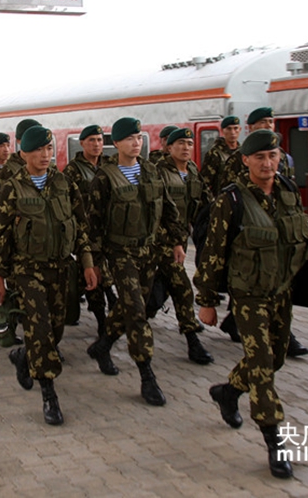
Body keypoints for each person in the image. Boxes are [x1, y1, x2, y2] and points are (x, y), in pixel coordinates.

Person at [194, 129, 308, 479]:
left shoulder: (289, 193)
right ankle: (274, 440)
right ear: (245, 160)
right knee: (261, 364)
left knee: (274, 358)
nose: (267, 163)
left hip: (282, 293)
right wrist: (207, 301)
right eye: (259, 157)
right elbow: (213, 254)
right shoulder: (231, 201)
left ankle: (228, 391)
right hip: (248, 297)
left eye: (272, 156)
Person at [0, 125, 97, 425]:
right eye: (38, 150)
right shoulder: (11, 188)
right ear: (23, 153)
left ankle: (24, 357)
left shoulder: (64, 183)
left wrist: (87, 262)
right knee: (39, 329)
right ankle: (49, 395)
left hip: (61, 267)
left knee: (55, 331)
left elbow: (81, 225)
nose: (44, 155)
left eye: (49, 150)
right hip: (26, 270)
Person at [85, 117, 186, 406]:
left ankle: (103, 346)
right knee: (137, 313)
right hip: (120, 254)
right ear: (115, 143)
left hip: (149, 253)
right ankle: (147, 375)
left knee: (131, 306)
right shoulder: (104, 178)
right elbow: (92, 224)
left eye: (139, 138)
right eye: (129, 139)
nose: (136, 143)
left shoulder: (152, 171)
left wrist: (177, 242)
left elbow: (168, 210)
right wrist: (94, 262)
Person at [216, 107, 308, 357]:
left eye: (271, 121)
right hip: (247, 229)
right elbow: (223, 191)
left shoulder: (283, 158)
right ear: (251, 127)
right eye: (262, 123)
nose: (268, 125)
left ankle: (242, 323)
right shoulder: (237, 159)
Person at [151, 128, 213, 364]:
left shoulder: (194, 171)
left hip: (179, 240)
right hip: (161, 240)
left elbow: (204, 202)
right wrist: (176, 240)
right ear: (169, 147)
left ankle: (109, 337)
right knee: (182, 288)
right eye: (181, 144)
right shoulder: (158, 172)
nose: (186, 148)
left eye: (189, 143)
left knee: (148, 295)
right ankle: (192, 341)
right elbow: (158, 212)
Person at [62, 124, 113, 336]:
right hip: (86, 232)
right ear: (82, 143)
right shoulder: (72, 170)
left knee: (103, 274)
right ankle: (102, 321)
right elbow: (67, 204)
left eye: (100, 140)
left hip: (109, 231)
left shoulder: (110, 166)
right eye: (91, 140)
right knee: (96, 275)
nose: (96, 144)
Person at [200, 115, 241, 197]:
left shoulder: (243, 153)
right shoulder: (215, 154)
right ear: (222, 131)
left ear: (240, 130)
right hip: (222, 200)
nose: (233, 132)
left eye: (235, 128)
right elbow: (204, 183)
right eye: (229, 129)